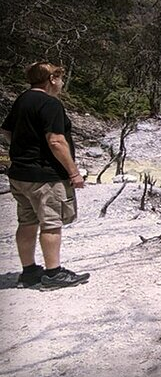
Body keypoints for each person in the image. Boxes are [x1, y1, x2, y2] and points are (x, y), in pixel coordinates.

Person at [1, 62, 90, 290]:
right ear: (51, 79)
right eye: (60, 79)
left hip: (20, 174)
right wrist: (74, 173)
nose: (61, 84)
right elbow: (56, 141)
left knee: (27, 221)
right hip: (45, 176)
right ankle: (53, 273)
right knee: (51, 222)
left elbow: (7, 131)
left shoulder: (22, 99)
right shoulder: (50, 104)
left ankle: (29, 271)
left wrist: (25, 150)